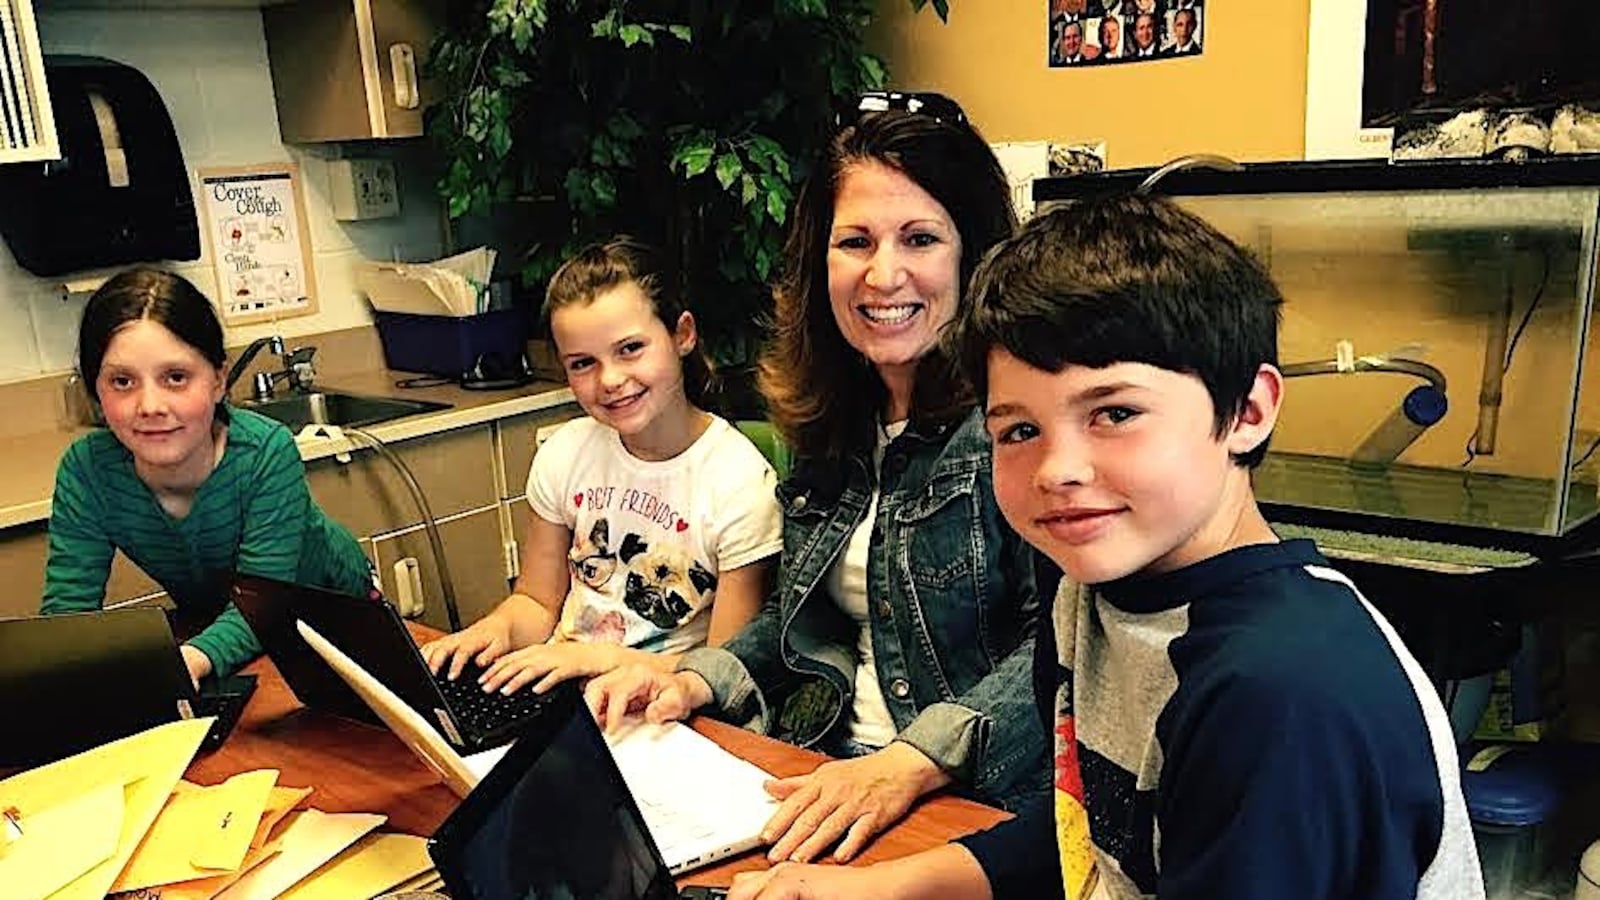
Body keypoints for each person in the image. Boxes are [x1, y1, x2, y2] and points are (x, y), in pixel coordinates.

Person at [718, 195, 1486, 899]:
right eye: (1019, 430)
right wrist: (872, 889)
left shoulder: (1279, 694)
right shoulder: (1088, 591)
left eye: (1114, 413)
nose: (1058, 470)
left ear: (1247, 412)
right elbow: (1091, 838)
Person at [587, 92, 1046, 869]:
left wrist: (910, 762)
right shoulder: (834, 422)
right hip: (815, 772)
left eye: (921, 238)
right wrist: (698, 679)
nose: (883, 273)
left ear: (973, 258)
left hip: (970, 811)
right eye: (855, 240)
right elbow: (811, 621)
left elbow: (1064, 651)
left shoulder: (1019, 422)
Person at [421, 238, 781, 696]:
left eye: (631, 348)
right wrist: (494, 631)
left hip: (668, 714)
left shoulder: (739, 483)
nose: (609, 379)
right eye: (583, 363)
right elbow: (535, 601)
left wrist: (595, 660)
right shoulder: (566, 453)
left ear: (683, 335)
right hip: (561, 690)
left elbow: (726, 670)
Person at [43, 268, 373, 684]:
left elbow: (266, 602)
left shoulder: (266, 452)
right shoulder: (86, 470)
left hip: (337, 618)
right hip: (223, 631)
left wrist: (189, 662)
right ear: (95, 390)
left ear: (218, 380)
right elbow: (68, 617)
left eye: (175, 378)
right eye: (122, 381)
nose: (150, 405)